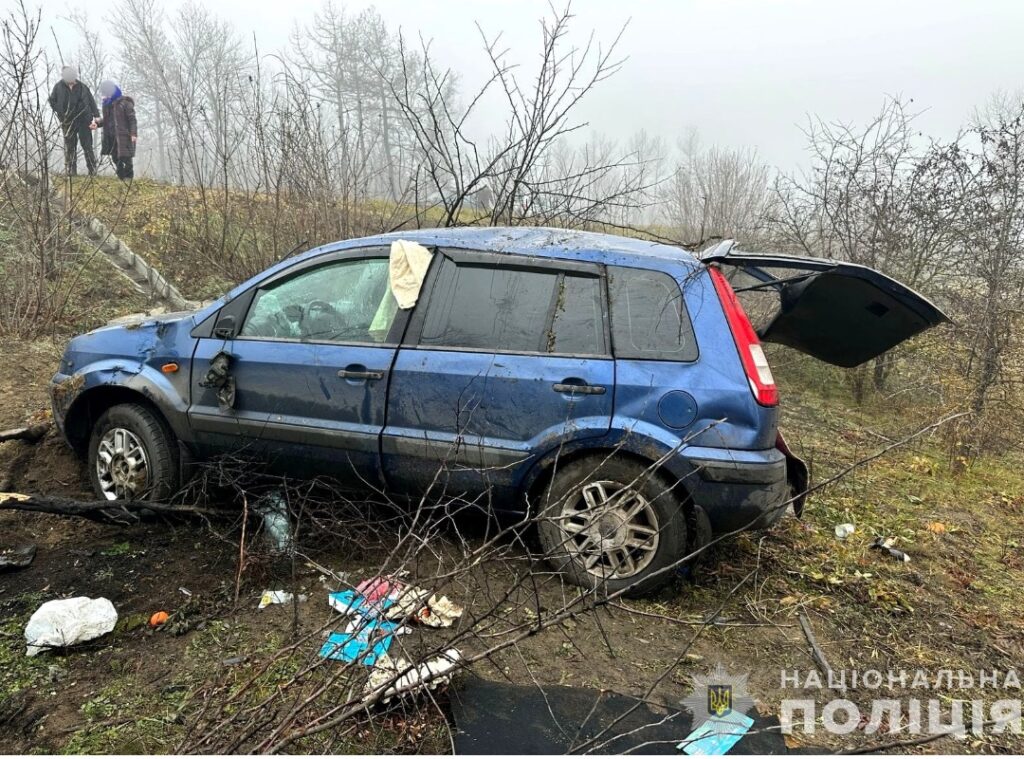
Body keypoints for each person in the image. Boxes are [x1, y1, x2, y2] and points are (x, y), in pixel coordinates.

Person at [48, 65, 99, 175]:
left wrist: (96, 117)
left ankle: (92, 170)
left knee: (87, 146)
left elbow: (91, 102)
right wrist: (60, 111)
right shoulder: (58, 87)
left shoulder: (83, 87)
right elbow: (52, 101)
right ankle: (72, 171)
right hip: (67, 121)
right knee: (70, 146)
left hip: (84, 120)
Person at [91, 80, 137, 181]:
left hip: (123, 135)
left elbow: (132, 119)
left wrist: (133, 133)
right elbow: (106, 120)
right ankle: (121, 178)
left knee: (126, 157)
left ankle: (128, 178)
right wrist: (97, 123)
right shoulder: (106, 105)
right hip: (110, 136)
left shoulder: (125, 103)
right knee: (115, 158)